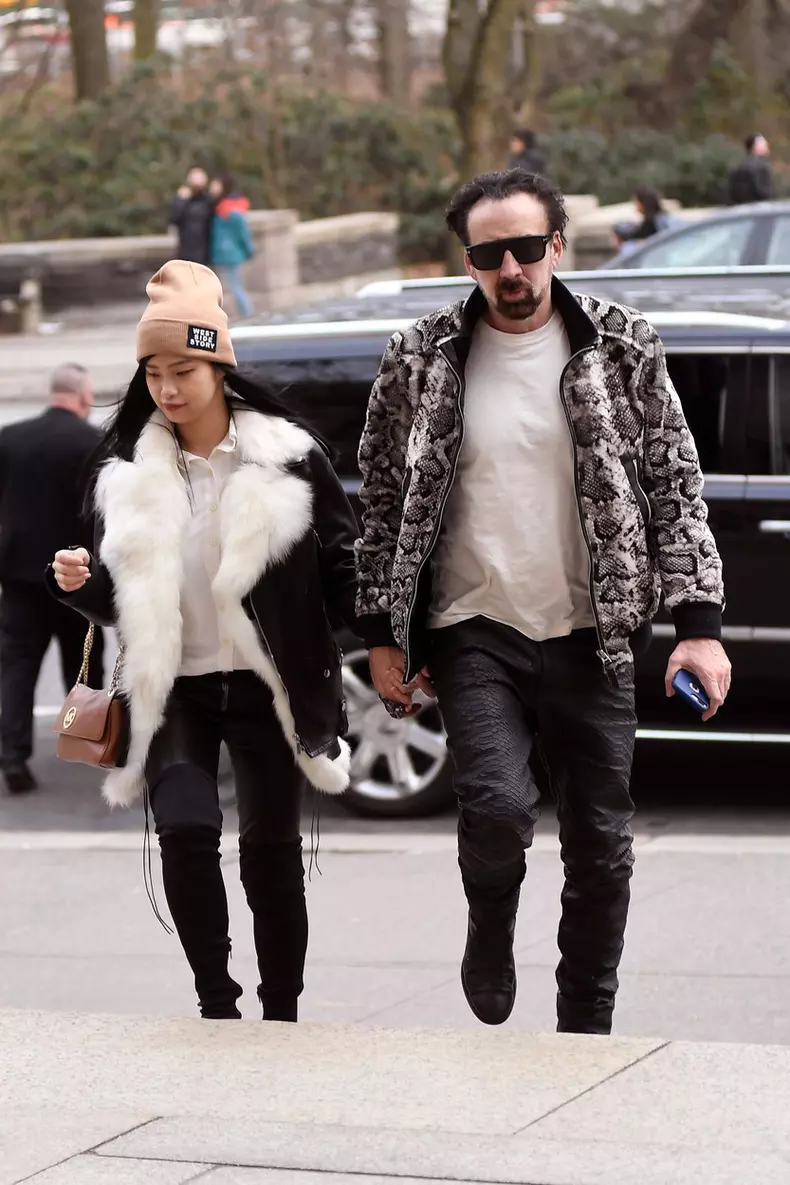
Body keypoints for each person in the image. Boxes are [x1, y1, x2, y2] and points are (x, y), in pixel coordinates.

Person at [355, 168, 731, 1035]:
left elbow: (675, 487)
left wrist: (698, 629)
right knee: (496, 807)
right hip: (473, 625)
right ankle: (490, 926)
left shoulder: (623, 343)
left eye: (527, 248)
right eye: (490, 255)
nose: (511, 269)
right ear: (470, 259)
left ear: (558, 244)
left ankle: (585, 1020)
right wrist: (380, 633)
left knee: (600, 842)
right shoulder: (420, 355)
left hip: (594, 633)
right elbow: (378, 498)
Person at [47, 261, 358, 1021]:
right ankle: (215, 1002)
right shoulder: (124, 474)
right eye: (153, 372)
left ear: (219, 362)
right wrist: (79, 581)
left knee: (272, 858)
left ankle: (281, 1008)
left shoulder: (287, 456)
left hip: (267, 687)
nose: (168, 387)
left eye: (183, 368)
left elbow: (343, 564)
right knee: (185, 835)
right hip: (175, 688)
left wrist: (386, 642)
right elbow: (118, 600)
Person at [0, 364, 104, 795]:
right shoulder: (93, 443)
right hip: (76, 579)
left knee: (18, 668)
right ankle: (86, 741)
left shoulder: (9, 439)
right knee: (83, 665)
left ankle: (13, 757)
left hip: (19, 579)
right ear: (82, 396)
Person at [209, 173, 255, 318]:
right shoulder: (220, 206)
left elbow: (242, 231)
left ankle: (247, 314)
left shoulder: (229, 210)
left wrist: (249, 249)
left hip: (228, 253)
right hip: (224, 252)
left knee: (235, 286)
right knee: (231, 286)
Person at [169, 168, 215, 265]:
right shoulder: (183, 199)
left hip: (205, 250)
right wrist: (181, 201)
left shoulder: (208, 201)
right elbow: (174, 218)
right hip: (186, 249)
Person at [728, 134, 773, 205]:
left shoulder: (738, 166)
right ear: (756, 147)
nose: (767, 146)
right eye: (764, 144)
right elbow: (763, 192)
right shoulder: (761, 167)